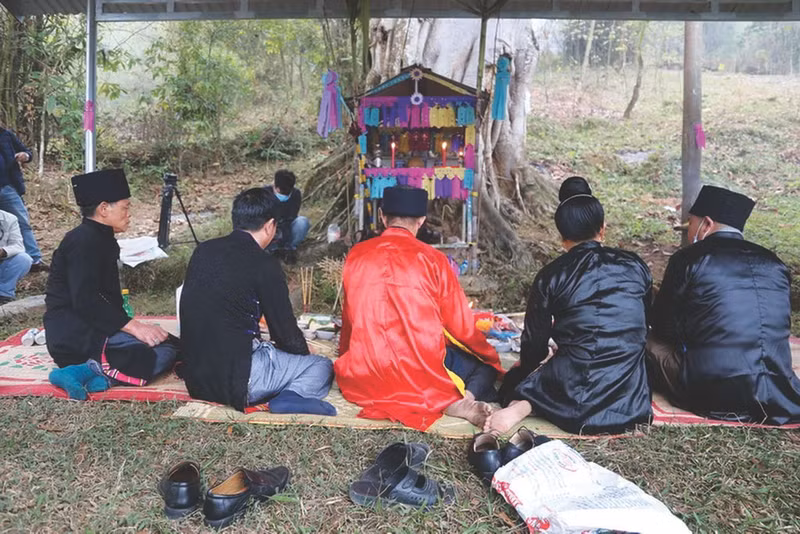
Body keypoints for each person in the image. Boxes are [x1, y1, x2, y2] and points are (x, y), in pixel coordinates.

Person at [486, 184, 653, 435]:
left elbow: (534, 342)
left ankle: (525, 404)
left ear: (562, 237)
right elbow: (645, 319)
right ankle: (529, 401)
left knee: (517, 381)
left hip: (576, 380)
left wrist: (530, 369)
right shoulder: (635, 265)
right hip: (630, 398)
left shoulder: (552, 274)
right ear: (602, 229)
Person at [334, 186, 504, 431]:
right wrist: (488, 354)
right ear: (422, 220)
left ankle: (453, 399)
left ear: (382, 216)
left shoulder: (356, 254)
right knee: (484, 367)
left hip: (363, 374)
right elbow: (460, 326)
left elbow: (350, 316)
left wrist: (346, 355)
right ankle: (459, 399)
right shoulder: (434, 259)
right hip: (420, 373)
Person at [648, 185, 800, 424]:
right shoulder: (774, 263)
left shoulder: (689, 258)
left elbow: (663, 326)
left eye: (691, 223)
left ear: (706, 224)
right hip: (776, 389)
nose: (689, 231)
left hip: (711, 391)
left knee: (645, 340)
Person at [180, 188, 335, 415]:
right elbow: (285, 333)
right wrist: (303, 351)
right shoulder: (264, 264)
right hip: (240, 381)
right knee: (321, 365)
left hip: (196, 380)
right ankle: (292, 396)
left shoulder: (203, 250)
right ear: (270, 225)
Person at [44, 169, 179, 400]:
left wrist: (129, 326)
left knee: (170, 345)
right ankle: (79, 371)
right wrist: (133, 327)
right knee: (158, 352)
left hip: (98, 326)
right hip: (74, 334)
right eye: (125, 207)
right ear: (104, 209)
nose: (129, 214)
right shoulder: (81, 241)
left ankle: (99, 377)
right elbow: (85, 300)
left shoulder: (103, 239)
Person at [0, 126, 47, 271]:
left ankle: (34, 260)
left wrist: (25, 156)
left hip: (7, 188)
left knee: (22, 222)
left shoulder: (6, 135)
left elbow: (27, 153)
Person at [264, 169, 310, 264]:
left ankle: (289, 248)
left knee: (302, 222)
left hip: (287, 228)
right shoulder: (265, 194)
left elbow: (291, 217)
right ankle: (271, 249)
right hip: (269, 230)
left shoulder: (295, 194)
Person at [0, 209, 33, 305]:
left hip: (2, 262)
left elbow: (18, 246)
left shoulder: (9, 218)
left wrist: (3, 251)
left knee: (24, 259)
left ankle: (4, 293)